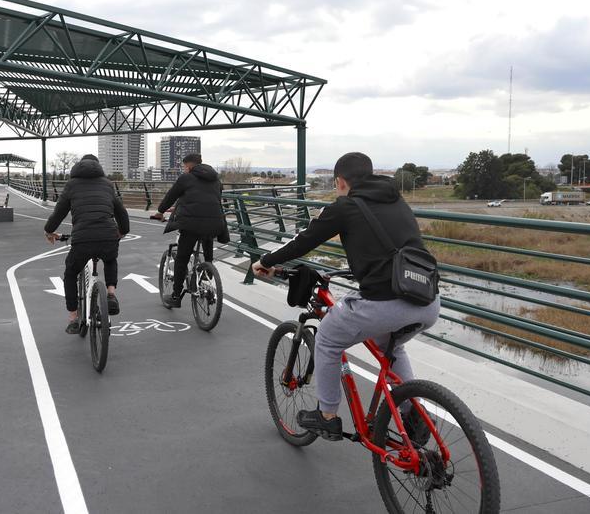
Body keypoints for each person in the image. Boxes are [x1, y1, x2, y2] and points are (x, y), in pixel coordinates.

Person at [251, 152, 440, 440]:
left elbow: (304, 240)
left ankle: (327, 415)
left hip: (387, 303)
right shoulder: (396, 199)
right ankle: (414, 415)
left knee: (327, 338)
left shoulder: (346, 206)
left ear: (340, 181)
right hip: (428, 300)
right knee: (391, 345)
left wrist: (265, 261)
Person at [44, 154, 131, 334]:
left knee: (70, 273)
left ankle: (74, 318)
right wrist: (122, 231)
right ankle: (111, 294)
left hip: (83, 239)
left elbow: (59, 212)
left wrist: (49, 230)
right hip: (108, 235)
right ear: (98, 167)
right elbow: (121, 212)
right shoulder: (107, 185)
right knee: (110, 259)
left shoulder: (72, 185)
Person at [151, 153, 225, 307]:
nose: (184, 170)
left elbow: (171, 195)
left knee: (182, 258)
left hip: (191, 224)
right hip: (215, 223)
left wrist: (161, 211)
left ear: (190, 165)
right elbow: (203, 199)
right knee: (206, 237)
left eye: (184, 167)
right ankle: (207, 269)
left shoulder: (186, 178)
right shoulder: (216, 179)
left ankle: (176, 296)